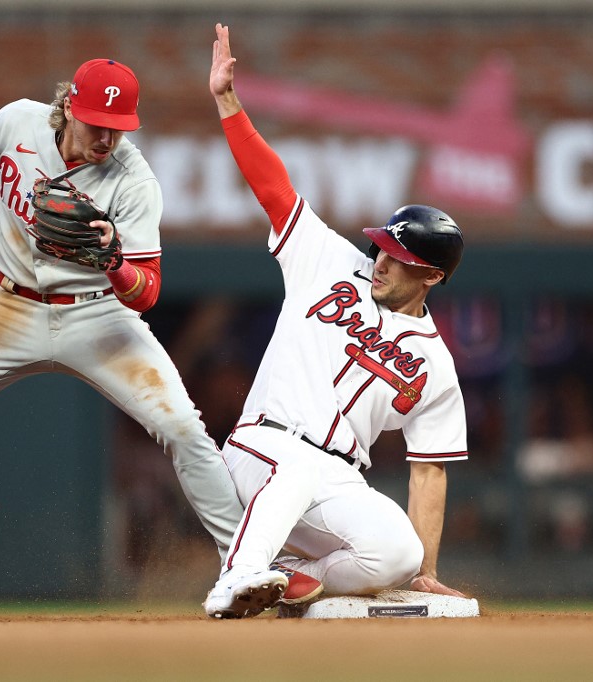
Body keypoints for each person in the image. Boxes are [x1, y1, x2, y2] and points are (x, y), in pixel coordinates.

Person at [0, 58, 243, 620]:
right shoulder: (17, 124)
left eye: (118, 125)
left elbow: (146, 292)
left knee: (182, 427)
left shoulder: (133, 179)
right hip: (6, 306)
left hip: (99, 315)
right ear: (68, 108)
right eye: (96, 121)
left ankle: (246, 566)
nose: (106, 136)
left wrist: (112, 264)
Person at [202, 23, 469, 619]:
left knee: (398, 552)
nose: (380, 261)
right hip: (263, 448)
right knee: (299, 463)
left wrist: (424, 571)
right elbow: (273, 186)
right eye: (381, 247)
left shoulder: (435, 363)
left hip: (338, 480)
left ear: (432, 277)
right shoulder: (327, 260)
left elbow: (430, 470)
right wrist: (228, 102)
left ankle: (289, 580)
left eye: (400, 260)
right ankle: (238, 577)